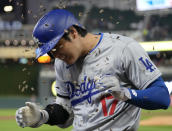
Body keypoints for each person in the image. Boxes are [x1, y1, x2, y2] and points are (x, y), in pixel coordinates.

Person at [15, 9, 171, 131]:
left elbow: (162, 97)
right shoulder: (61, 64)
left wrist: (126, 94)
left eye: (56, 47)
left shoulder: (123, 49)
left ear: (73, 32)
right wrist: (44, 116)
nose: (55, 55)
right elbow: (65, 112)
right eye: (50, 52)